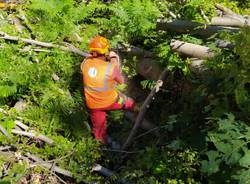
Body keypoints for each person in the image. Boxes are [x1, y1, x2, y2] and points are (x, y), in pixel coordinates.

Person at [81, 35, 135, 144]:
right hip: (112, 101)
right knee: (127, 102)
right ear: (105, 52)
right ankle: (136, 108)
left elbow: (89, 61)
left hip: (93, 106)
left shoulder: (85, 63)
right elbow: (121, 81)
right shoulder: (110, 68)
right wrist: (114, 60)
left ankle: (102, 145)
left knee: (99, 131)